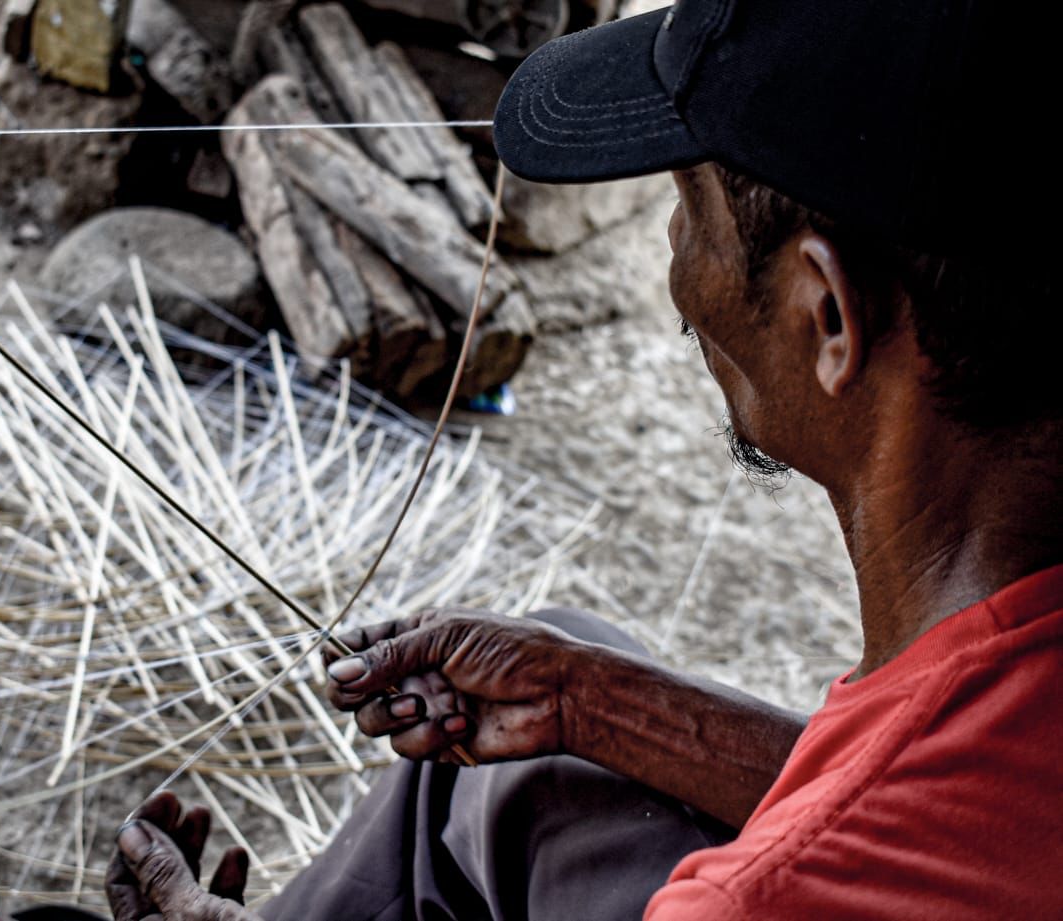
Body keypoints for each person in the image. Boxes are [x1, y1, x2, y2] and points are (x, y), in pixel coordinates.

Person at [101, 0, 1063, 917]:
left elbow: (862, 841)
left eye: (693, 203)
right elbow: (951, 822)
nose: (674, 246)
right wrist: (590, 697)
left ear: (828, 316)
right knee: (532, 748)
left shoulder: (757, 901)